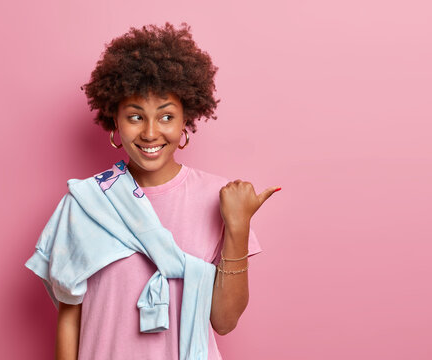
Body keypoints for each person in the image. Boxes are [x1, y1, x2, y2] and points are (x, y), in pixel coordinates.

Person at [52, 22, 280, 359]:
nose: (150, 132)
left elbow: (224, 320)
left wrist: (238, 226)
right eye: (134, 117)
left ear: (185, 119)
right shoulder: (85, 203)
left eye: (166, 116)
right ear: (114, 120)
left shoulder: (218, 197)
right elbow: (70, 315)